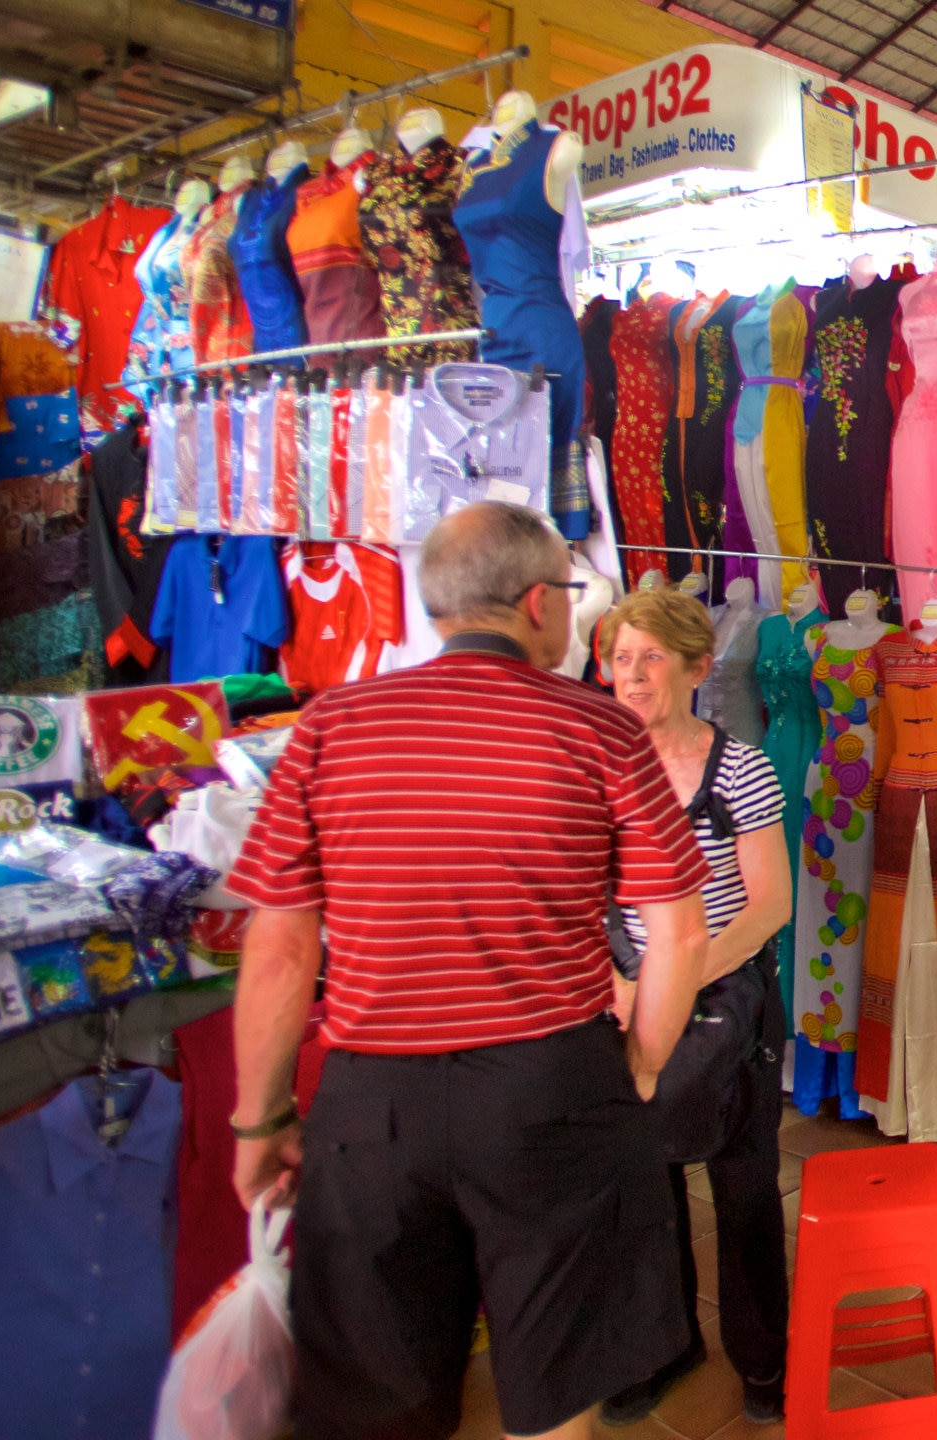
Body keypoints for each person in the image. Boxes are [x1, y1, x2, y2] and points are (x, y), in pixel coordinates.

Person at [226, 502, 710, 1440]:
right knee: (556, 1382)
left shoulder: (328, 727)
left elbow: (280, 950)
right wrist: (642, 1065)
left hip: (373, 1108)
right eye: (571, 598)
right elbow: (678, 933)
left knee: (375, 1401)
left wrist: (261, 1117)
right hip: (551, 1089)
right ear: (536, 603)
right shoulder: (600, 731)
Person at [597, 588, 794, 1427]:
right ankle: (660, 1347)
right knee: (639, 1186)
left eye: (649, 657)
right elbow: (586, 899)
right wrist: (624, 990)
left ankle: (763, 1359)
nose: (631, 676)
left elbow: (768, 907)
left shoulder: (738, 768)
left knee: (743, 1183)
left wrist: (676, 983)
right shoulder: (597, 768)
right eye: (618, 658)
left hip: (725, 998)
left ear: (695, 668)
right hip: (626, 997)